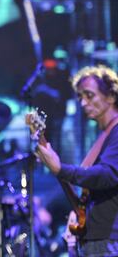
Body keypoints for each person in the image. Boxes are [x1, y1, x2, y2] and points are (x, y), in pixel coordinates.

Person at [35, 65, 118, 256]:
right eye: (80, 97)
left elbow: (109, 174)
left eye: (89, 95)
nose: (82, 103)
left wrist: (61, 169)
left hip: (110, 239)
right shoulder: (104, 136)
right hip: (99, 238)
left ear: (111, 97)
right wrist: (79, 213)